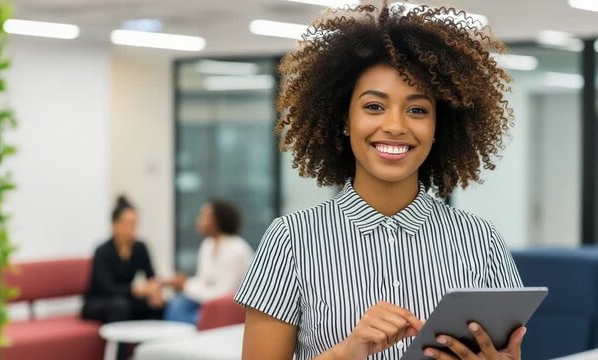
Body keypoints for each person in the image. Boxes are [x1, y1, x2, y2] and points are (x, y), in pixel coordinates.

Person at [235, 2, 524, 360]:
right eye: (374, 106)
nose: (395, 126)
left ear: (438, 128)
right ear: (344, 118)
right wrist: (348, 352)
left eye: (417, 110)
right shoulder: (290, 242)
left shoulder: (481, 240)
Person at [164, 199, 253, 324]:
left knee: (184, 315)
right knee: (177, 303)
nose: (199, 220)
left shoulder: (236, 249)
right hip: (210, 302)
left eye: (204, 216)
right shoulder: (208, 245)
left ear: (217, 220)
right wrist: (183, 283)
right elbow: (203, 281)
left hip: (231, 308)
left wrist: (185, 286)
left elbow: (225, 294)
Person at [82, 196, 164, 325]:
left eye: (135, 223)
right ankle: (119, 345)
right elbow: (107, 288)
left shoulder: (140, 248)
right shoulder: (103, 251)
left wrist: (155, 291)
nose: (132, 228)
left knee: (156, 305)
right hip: (100, 301)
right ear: (115, 224)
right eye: (127, 224)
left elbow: (151, 276)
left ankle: (151, 344)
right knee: (120, 306)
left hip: (126, 298)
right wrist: (135, 290)